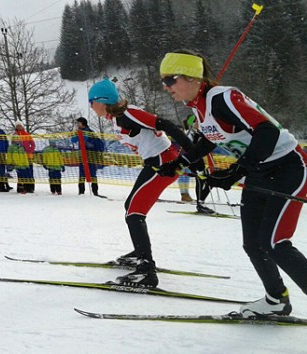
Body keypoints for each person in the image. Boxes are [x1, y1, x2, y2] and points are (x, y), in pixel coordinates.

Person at [156, 50, 307, 317]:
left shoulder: (222, 97)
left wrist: (236, 170)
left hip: (289, 167)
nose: (166, 87)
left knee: (275, 243)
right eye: (164, 81)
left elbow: (267, 131)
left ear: (191, 77)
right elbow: (209, 139)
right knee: (253, 243)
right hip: (260, 171)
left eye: (170, 79)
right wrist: (177, 164)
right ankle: (276, 300)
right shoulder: (200, 108)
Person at [88, 78, 196, 288]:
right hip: (155, 161)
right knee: (131, 207)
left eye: (91, 102)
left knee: (134, 213)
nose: (91, 107)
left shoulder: (128, 113)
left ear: (101, 101)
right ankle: (140, 253)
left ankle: (147, 270)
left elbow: (166, 124)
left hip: (163, 162)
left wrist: (191, 151)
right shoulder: (118, 117)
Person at [70, 117, 99, 196]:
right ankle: (81, 192)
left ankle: (95, 192)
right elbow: (72, 140)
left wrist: (80, 135)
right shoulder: (79, 132)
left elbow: (85, 140)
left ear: (83, 123)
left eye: (78, 123)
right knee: (81, 174)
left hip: (90, 156)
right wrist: (76, 133)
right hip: (82, 156)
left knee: (92, 174)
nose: (77, 124)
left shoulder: (90, 132)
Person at [14, 123, 35, 193]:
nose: (19, 127)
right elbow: (12, 145)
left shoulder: (27, 134)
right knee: (21, 173)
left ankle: (30, 187)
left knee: (30, 172)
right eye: (17, 126)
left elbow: (33, 144)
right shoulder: (14, 135)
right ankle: (21, 188)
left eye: (20, 125)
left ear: (22, 126)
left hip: (28, 157)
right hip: (20, 158)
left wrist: (29, 150)